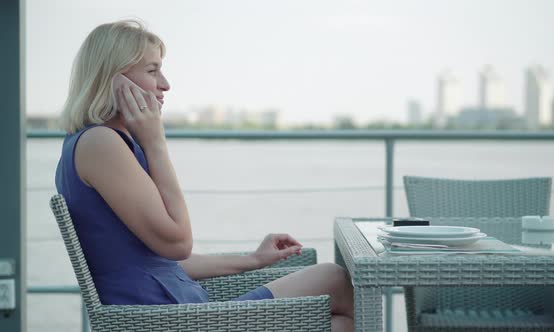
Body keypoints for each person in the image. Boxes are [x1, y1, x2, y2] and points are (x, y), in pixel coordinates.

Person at [55, 20, 353, 331]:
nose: (166, 84)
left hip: (180, 311)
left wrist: (253, 259)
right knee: (334, 279)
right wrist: (156, 141)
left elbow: (162, 260)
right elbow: (178, 244)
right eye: (153, 70)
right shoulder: (101, 144)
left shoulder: (107, 144)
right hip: (169, 320)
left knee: (337, 322)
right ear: (115, 79)